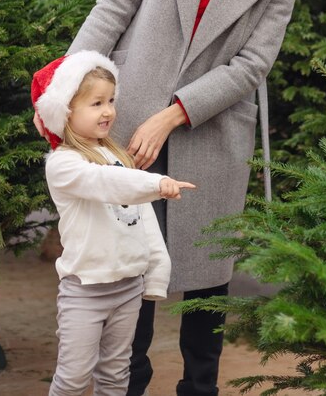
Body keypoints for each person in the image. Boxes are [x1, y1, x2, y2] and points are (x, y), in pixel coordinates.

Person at [34, 0, 305, 396]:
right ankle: (129, 384)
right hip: (126, 115)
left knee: (208, 276)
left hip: (210, 128)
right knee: (129, 257)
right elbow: (116, 2)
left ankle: (199, 388)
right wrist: (65, 85)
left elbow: (252, 65)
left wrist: (174, 112)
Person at [31, 50, 195, 396]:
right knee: (74, 378)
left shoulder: (117, 156)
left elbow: (143, 220)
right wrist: (155, 183)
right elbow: (107, 183)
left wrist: (156, 271)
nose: (108, 111)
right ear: (65, 112)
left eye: (110, 100)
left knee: (116, 374)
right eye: (96, 103)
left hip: (127, 289)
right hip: (85, 293)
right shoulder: (63, 165)